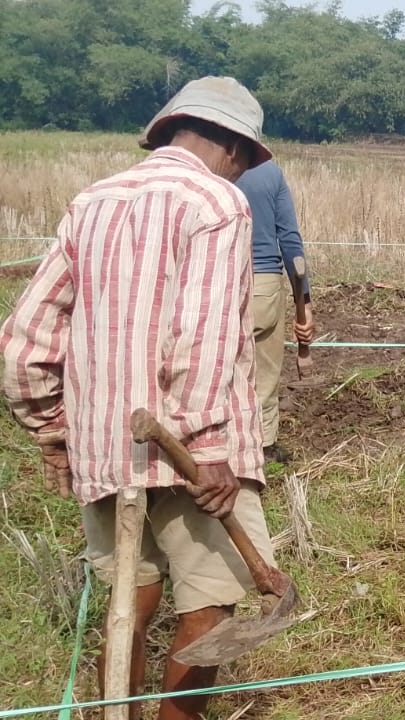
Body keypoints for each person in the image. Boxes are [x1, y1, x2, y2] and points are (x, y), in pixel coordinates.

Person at [0, 76, 275, 720]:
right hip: (190, 459)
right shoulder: (216, 204)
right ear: (235, 148)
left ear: (170, 130)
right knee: (208, 606)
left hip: (104, 450)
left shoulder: (91, 201)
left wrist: (54, 433)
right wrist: (206, 449)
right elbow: (203, 335)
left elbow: (22, 345)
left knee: (131, 601)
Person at [235, 160, 315, 465]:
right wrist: (303, 303)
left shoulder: (206, 167)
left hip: (217, 281)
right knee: (265, 374)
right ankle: (263, 446)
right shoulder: (270, 173)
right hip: (264, 285)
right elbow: (290, 241)